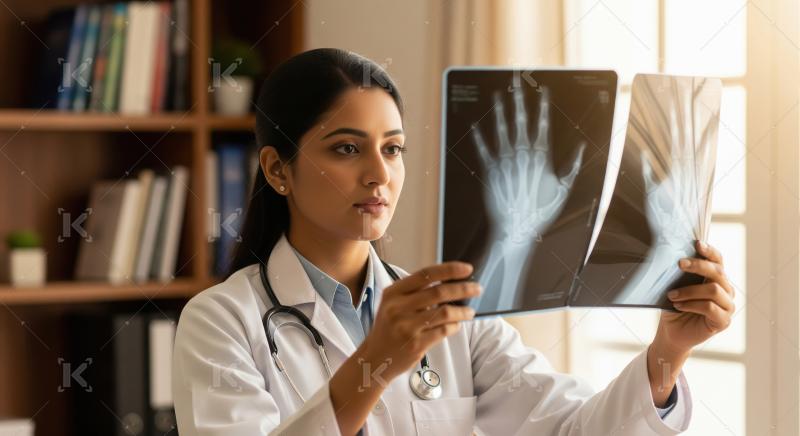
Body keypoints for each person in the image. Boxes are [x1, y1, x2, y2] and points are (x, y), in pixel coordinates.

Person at [172, 48, 735, 435]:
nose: (379, 175)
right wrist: (375, 362)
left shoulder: (454, 313)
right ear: (277, 170)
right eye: (346, 148)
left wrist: (668, 354)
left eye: (392, 149)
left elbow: (570, 428)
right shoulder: (222, 321)